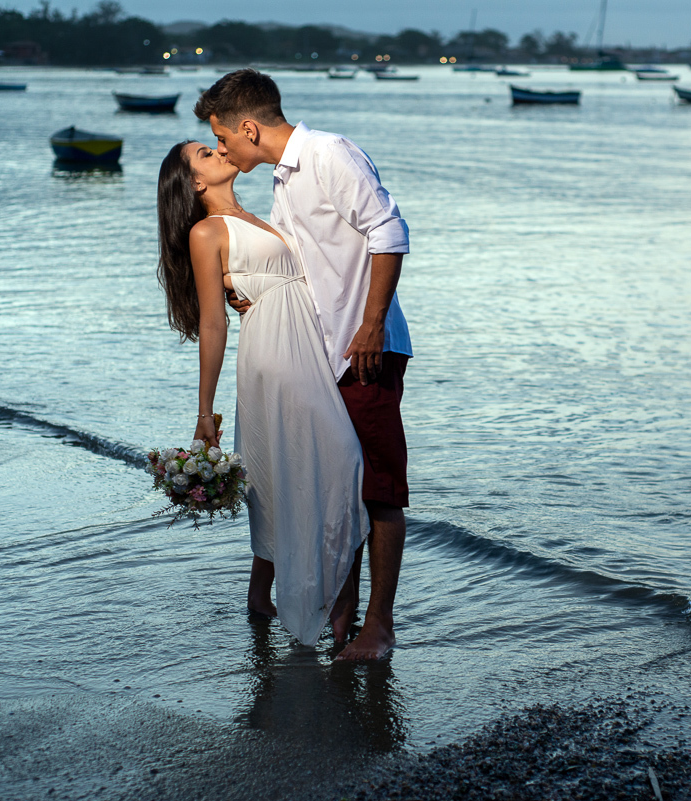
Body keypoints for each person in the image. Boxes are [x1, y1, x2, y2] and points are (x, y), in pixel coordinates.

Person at [195, 69, 412, 661]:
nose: (225, 150)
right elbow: (297, 264)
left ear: (246, 127)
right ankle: (343, 612)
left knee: (378, 488)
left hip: (363, 348)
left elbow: (389, 232)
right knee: (339, 483)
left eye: (223, 137)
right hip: (321, 357)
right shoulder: (283, 183)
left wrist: (371, 326)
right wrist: (251, 291)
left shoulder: (326, 154)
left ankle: (379, 627)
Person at [156, 140, 369, 648]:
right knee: (345, 461)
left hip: (307, 346)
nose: (220, 149)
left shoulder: (262, 212)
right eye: (206, 153)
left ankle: (262, 593)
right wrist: (205, 412)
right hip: (273, 351)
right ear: (196, 183)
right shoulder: (207, 232)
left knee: (279, 469)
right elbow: (212, 322)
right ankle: (338, 603)